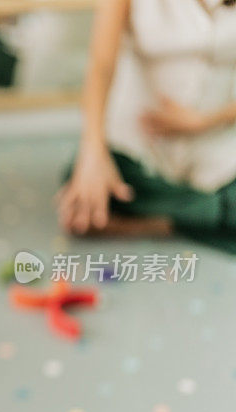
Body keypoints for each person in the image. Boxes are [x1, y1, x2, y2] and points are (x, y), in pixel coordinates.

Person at [58, 0, 236, 253]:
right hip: (141, 151)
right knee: (83, 188)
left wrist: (204, 120)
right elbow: (100, 65)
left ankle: (158, 223)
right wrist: (93, 152)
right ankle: (209, 215)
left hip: (220, 148)